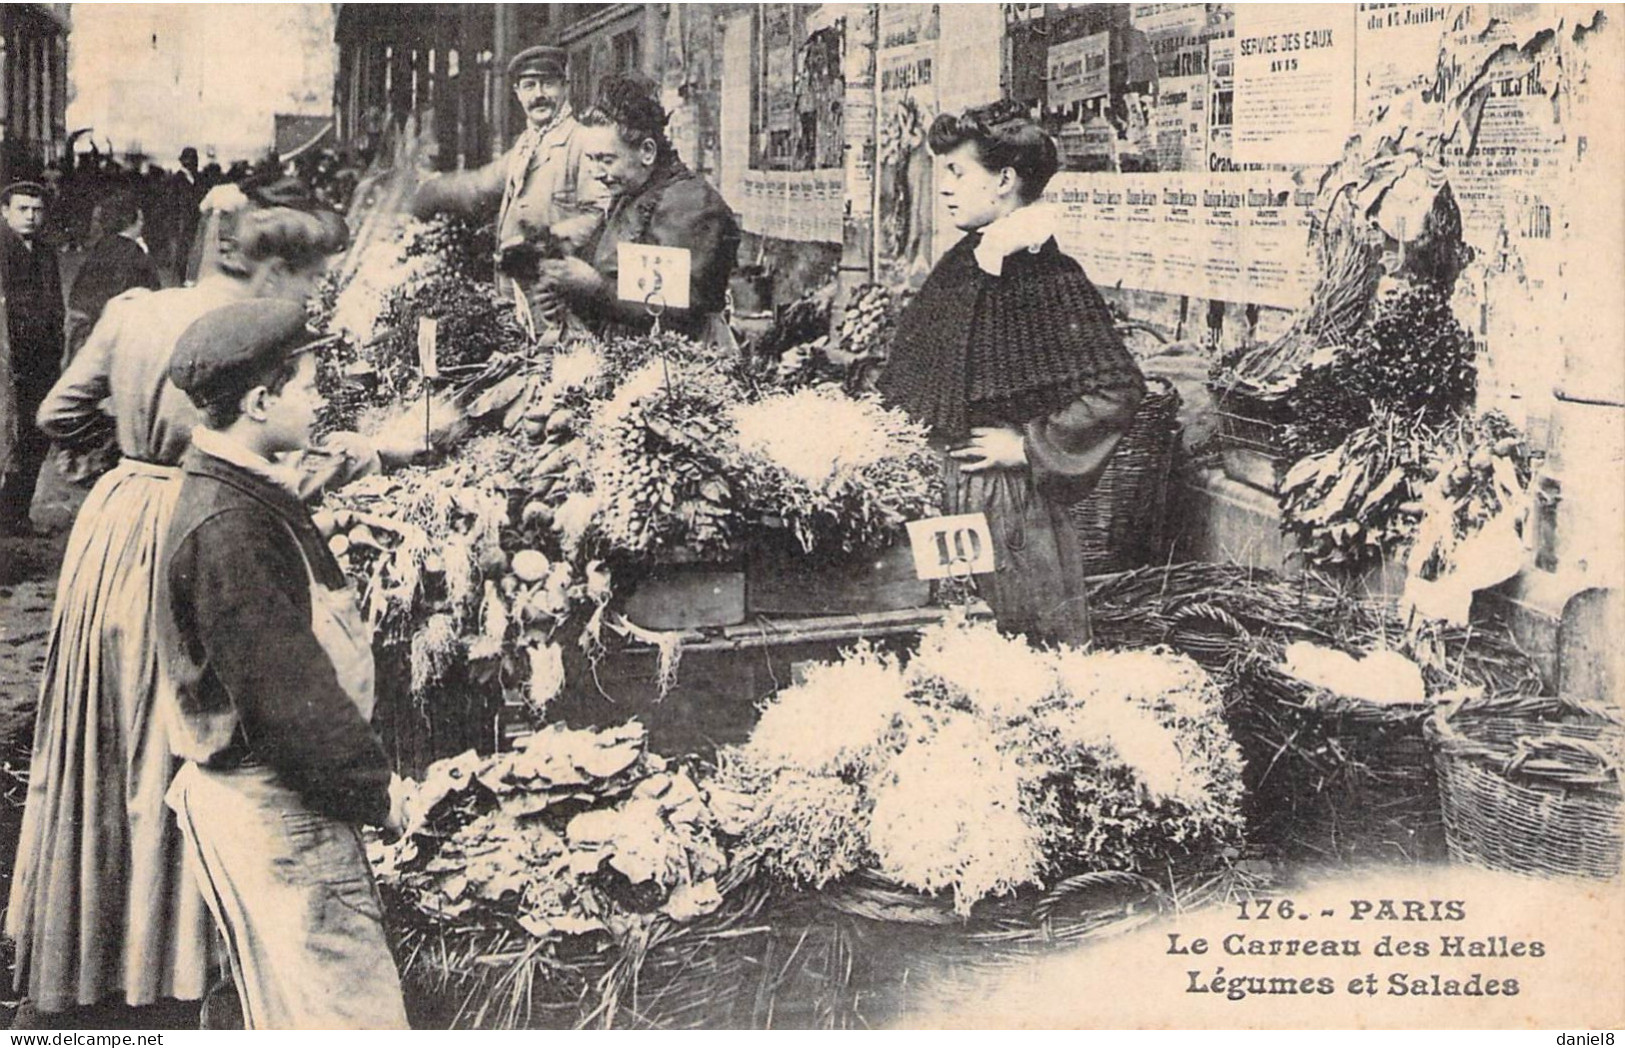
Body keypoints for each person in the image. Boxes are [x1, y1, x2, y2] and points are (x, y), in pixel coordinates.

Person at [6, 192, 444, 1027]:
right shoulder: (253, 354)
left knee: (109, 745)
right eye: (308, 274)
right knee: (187, 732)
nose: (314, 291)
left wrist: (123, 460)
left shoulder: (140, 310)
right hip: (190, 516)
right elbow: (274, 473)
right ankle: (179, 959)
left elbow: (57, 411)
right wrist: (378, 452)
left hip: (120, 522)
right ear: (270, 264)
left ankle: (94, 950)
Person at [159, 299, 408, 1029]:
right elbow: (287, 698)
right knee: (355, 1021)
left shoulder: (242, 485)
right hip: (281, 811)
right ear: (262, 402)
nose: (322, 397)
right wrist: (375, 793)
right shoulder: (231, 527)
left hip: (281, 798)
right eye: (309, 384)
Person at [876, 102, 1145, 647]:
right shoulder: (966, 259)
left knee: (1016, 659)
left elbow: (1117, 389)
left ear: (1003, 180)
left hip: (1007, 509)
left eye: (957, 172)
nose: (945, 188)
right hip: (942, 496)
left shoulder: (1049, 277)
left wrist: (1026, 446)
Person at [540, 74, 741, 344]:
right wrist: (568, 295)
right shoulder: (630, 193)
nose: (597, 173)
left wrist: (592, 287)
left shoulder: (691, 203)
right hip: (634, 352)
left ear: (647, 151)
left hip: (681, 363)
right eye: (591, 159)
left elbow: (676, 308)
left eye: (606, 160)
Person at [412, 45, 603, 294]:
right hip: (515, 294)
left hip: (557, 297)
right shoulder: (524, 145)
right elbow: (480, 186)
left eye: (548, 84)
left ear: (565, 87)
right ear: (517, 93)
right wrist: (431, 188)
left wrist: (544, 242)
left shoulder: (583, 142)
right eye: (529, 86)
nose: (539, 95)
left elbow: (598, 215)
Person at [58, 190, 163, 484]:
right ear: (137, 218)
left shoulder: (102, 248)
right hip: (117, 338)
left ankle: (84, 459)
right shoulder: (134, 254)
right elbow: (149, 302)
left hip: (86, 334)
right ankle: (103, 462)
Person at [0, 182, 65, 535]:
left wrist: (57, 347)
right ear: (4, 211)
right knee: (8, 435)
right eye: (23, 209)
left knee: (35, 435)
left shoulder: (45, 250)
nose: (30, 216)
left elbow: (55, 304)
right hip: (9, 360)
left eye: (37, 210)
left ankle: (14, 512)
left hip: (41, 361)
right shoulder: (3, 250)